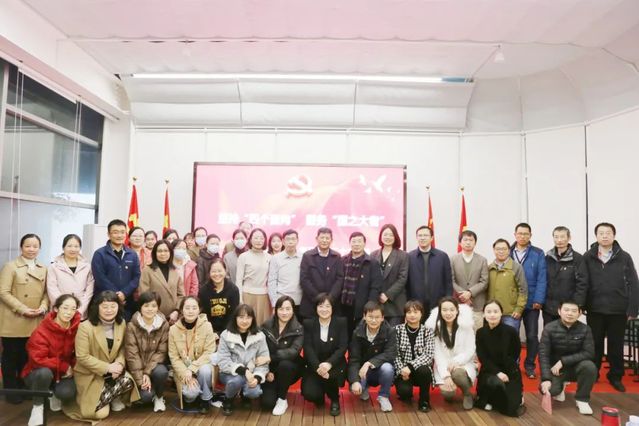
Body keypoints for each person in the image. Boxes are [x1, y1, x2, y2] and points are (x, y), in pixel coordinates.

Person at [577, 222, 639, 392]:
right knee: (594, 344)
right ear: (596, 236)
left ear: (614, 235)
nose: (605, 236)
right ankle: (593, 374)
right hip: (595, 309)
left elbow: (634, 283)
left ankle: (615, 376)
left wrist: (633, 309)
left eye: (608, 233)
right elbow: (582, 281)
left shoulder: (624, 257)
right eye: (601, 233)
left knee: (615, 345)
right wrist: (580, 304)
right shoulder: (588, 256)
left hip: (618, 310)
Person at [63, 291, 140, 422]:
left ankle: (109, 396)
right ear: (97, 307)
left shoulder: (121, 323)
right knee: (100, 414)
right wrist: (108, 367)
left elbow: (122, 348)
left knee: (128, 381)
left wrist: (119, 364)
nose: (109, 310)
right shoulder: (85, 327)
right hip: (90, 374)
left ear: (118, 307)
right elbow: (82, 356)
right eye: (105, 307)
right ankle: (104, 398)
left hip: (112, 373)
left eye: (113, 306)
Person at [0, 233, 48, 404]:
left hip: (35, 319)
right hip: (14, 319)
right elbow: (3, 292)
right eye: (28, 246)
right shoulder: (10, 266)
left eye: (35, 246)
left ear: (39, 248)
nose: (31, 249)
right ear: (21, 247)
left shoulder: (43, 268)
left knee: (27, 357)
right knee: (11, 357)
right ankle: (11, 391)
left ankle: (25, 388)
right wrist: (23, 309)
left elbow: (46, 293)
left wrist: (43, 307)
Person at [22, 294, 80, 426]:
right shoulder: (42, 331)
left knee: (67, 393)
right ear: (56, 309)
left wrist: (73, 367)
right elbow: (38, 359)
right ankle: (38, 406)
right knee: (44, 373)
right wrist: (64, 366)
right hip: (38, 373)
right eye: (65, 308)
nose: (69, 312)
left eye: (73, 309)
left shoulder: (77, 329)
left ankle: (53, 393)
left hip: (63, 374)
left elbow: (79, 353)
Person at [539, 300, 596, 415]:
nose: (570, 313)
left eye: (574, 311)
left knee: (590, 367)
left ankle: (582, 399)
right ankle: (561, 385)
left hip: (575, 367)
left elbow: (589, 353)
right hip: (555, 370)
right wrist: (545, 379)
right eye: (566, 310)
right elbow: (543, 355)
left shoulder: (585, 329)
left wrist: (563, 361)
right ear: (559, 311)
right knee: (550, 390)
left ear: (580, 313)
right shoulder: (549, 328)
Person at [217, 304, 270, 416]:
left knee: (254, 392)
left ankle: (244, 395)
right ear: (235, 318)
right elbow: (223, 361)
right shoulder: (226, 335)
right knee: (236, 381)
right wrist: (243, 371)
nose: (244, 321)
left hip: (251, 373)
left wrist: (257, 377)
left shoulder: (260, 336)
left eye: (248, 317)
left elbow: (263, 361)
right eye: (241, 317)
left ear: (253, 319)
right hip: (229, 373)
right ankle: (228, 399)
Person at [475, 299, 525, 417]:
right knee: (495, 382)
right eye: (489, 312)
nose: (492, 315)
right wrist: (498, 372)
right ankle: (489, 398)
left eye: (495, 311)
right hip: (490, 371)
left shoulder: (510, 331)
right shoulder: (480, 332)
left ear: (501, 313)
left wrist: (507, 371)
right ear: (484, 314)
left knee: (512, 408)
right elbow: (483, 357)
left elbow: (515, 352)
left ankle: (514, 397)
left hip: (509, 369)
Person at [425, 297, 476, 410]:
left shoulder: (466, 327)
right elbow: (438, 355)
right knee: (448, 394)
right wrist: (446, 375)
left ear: (457, 311)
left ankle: (467, 394)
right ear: (440, 311)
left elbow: (470, 349)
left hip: (462, 363)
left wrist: (456, 362)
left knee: (458, 374)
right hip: (444, 365)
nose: (448, 313)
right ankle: (451, 383)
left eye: (452, 310)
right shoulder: (436, 328)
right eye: (444, 310)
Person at [510, 223, 547, 379]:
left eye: (526, 234)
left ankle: (530, 365)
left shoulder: (538, 253)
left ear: (530, 235)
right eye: (520, 233)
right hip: (512, 302)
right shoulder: (507, 252)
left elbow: (542, 278)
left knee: (532, 335)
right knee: (512, 335)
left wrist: (539, 299)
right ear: (515, 234)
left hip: (532, 302)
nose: (522, 236)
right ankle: (513, 364)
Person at [301, 294, 348, 416]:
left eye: (328, 306)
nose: (324, 309)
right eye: (321, 306)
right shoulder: (308, 323)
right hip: (315, 364)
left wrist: (329, 364)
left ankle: (334, 399)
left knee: (330, 376)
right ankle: (319, 397)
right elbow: (308, 348)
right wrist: (318, 367)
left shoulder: (341, 322)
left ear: (333, 308)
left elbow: (342, 347)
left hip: (334, 363)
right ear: (316, 308)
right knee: (310, 394)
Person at [168, 296, 216, 413]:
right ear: (181, 310)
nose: (190, 311)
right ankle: (194, 396)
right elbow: (174, 357)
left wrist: (192, 369)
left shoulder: (207, 326)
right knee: (191, 395)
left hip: (201, 365)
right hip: (183, 370)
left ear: (199, 310)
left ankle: (205, 398)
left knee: (205, 371)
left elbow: (209, 352)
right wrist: (185, 372)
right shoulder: (173, 330)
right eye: (187, 308)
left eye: (194, 308)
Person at [124, 291, 170, 413]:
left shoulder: (164, 325)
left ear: (158, 307)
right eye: (146, 306)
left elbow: (161, 352)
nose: (150, 309)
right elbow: (132, 356)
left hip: (154, 366)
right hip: (137, 369)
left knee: (161, 372)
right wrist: (141, 380)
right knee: (146, 397)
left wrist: (147, 372)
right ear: (140, 307)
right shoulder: (131, 326)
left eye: (154, 306)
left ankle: (159, 397)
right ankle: (149, 392)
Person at [349, 301, 397, 413]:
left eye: (377, 317)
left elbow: (390, 354)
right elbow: (354, 359)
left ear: (382, 318)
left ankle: (383, 396)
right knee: (356, 389)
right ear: (364, 316)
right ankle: (364, 386)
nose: (374, 320)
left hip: (380, 368)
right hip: (363, 372)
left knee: (388, 368)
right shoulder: (357, 333)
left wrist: (369, 363)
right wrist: (355, 381)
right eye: (370, 317)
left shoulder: (390, 331)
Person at [260, 295, 304, 415]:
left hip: (289, 368)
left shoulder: (299, 329)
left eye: (288, 309)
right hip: (270, 369)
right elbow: (259, 350)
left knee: (285, 364)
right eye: (281, 309)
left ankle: (282, 398)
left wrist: (270, 357)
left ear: (293, 310)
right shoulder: (265, 326)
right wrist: (267, 371)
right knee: (267, 404)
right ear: (276, 310)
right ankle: (274, 390)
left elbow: (294, 351)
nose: (284, 312)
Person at [91, 219, 141, 320]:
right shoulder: (99, 254)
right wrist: (116, 295)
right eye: (115, 232)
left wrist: (124, 293)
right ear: (109, 234)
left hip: (126, 303)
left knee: (124, 328)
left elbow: (136, 277)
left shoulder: (132, 254)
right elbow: (100, 278)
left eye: (122, 232)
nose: (119, 235)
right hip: (105, 303)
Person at [393, 300, 435, 412]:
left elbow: (429, 355)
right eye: (409, 312)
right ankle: (405, 392)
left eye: (415, 312)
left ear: (421, 314)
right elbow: (394, 354)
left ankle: (424, 401)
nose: (412, 315)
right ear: (405, 314)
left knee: (425, 370)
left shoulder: (428, 331)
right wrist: (402, 370)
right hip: (403, 372)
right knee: (405, 393)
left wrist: (410, 367)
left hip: (419, 370)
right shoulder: (397, 330)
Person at [341, 232, 382, 336]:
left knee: (360, 337)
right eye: (354, 241)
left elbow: (375, 287)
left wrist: (370, 308)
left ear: (364, 243)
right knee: (344, 336)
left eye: (359, 241)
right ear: (350, 243)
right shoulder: (342, 260)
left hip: (362, 307)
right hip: (343, 306)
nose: (356, 244)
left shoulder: (372, 262)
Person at [299, 228, 344, 321]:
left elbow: (340, 279)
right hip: (311, 303)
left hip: (332, 304)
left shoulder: (337, 256)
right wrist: (318, 298)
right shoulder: (307, 256)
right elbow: (304, 279)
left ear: (331, 240)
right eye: (322, 237)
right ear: (316, 239)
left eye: (327, 238)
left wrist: (331, 298)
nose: (324, 240)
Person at [47, 234, 94, 319]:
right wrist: (64, 308)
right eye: (69, 246)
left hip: (80, 312)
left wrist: (80, 309)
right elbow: (52, 289)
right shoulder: (54, 267)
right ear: (63, 247)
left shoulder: (87, 267)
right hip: (59, 312)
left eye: (76, 246)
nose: (73, 249)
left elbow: (89, 291)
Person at [407, 226, 452, 313]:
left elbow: (448, 282)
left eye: (425, 235)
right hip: (415, 305)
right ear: (416, 238)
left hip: (438, 303)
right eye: (420, 235)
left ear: (431, 238)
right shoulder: (409, 257)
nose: (422, 238)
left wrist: (448, 300)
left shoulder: (442, 256)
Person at [371, 224, 408, 327]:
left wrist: (387, 295)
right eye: (385, 234)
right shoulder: (373, 255)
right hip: (377, 303)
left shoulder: (403, 255)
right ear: (381, 236)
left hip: (395, 304)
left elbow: (402, 278)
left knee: (393, 333)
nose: (388, 237)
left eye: (391, 235)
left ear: (395, 237)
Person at [544, 226, 583, 324]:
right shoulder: (548, 258)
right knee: (549, 331)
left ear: (569, 238)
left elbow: (582, 283)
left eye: (562, 237)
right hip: (549, 307)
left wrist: (578, 304)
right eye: (556, 237)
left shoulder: (577, 258)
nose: (559, 240)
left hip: (569, 308)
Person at [451, 230, 488, 330]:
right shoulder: (453, 259)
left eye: (471, 240)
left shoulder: (482, 260)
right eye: (465, 240)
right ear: (460, 242)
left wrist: (470, 293)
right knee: (460, 333)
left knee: (477, 333)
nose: (468, 242)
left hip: (477, 304)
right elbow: (451, 280)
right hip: (459, 303)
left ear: (475, 243)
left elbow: (484, 281)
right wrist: (463, 295)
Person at [487, 239, 527, 331]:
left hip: (510, 314)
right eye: (498, 249)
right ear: (494, 250)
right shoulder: (489, 268)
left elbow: (523, 290)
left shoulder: (516, 267)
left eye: (504, 249)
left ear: (509, 251)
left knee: (510, 339)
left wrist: (519, 309)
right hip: (493, 313)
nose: (501, 251)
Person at [139, 240, 183, 324]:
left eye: (166, 251)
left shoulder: (175, 270)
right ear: (155, 253)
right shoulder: (147, 270)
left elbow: (181, 295)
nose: (163, 254)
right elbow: (144, 295)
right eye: (159, 251)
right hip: (153, 316)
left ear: (170, 252)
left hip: (173, 318)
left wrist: (176, 311)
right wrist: (155, 313)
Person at [236, 228, 272, 326]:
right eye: (256, 238)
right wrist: (240, 298)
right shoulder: (243, 256)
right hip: (247, 295)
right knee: (247, 323)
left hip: (264, 296)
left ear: (265, 240)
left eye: (261, 238)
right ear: (250, 240)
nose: (258, 240)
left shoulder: (269, 257)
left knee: (263, 324)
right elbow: (238, 280)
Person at [199, 258, 240, 335]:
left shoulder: (233, 290)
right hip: (208, 331)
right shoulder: (203, 291)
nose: (217, 274)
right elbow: (203, 314)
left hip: (228, 330)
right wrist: (210, 332)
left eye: (220, 271)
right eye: (213, 271)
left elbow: (233, 314)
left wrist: (221, 333)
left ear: (225, 271)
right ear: (209, 273)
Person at [267, 229, 303, 316]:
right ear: (283, 241)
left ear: (297, 241)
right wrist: (274, 304)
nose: (290, 242)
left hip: (299, 301)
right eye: (288, 239)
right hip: (281, 301)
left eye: (293, 239)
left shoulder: (303, 257)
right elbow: (272, 282)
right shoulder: (276, 258)